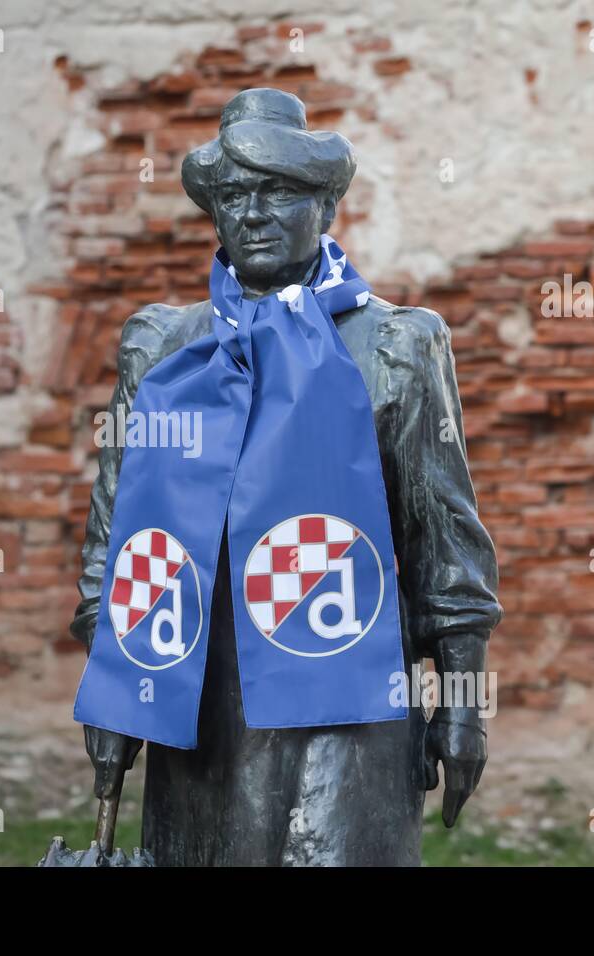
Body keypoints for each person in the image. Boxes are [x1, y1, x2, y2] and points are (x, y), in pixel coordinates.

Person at [70, 88, 502, 865]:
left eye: (280, 191)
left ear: (326, 206)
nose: (254, 213)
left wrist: (464, 705)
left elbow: (448, 546)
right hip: (200, 707)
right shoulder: (166, 350)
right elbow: (117, 544)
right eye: (234, 195)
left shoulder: (396, 345)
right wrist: (111, 694)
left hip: (353, 708)